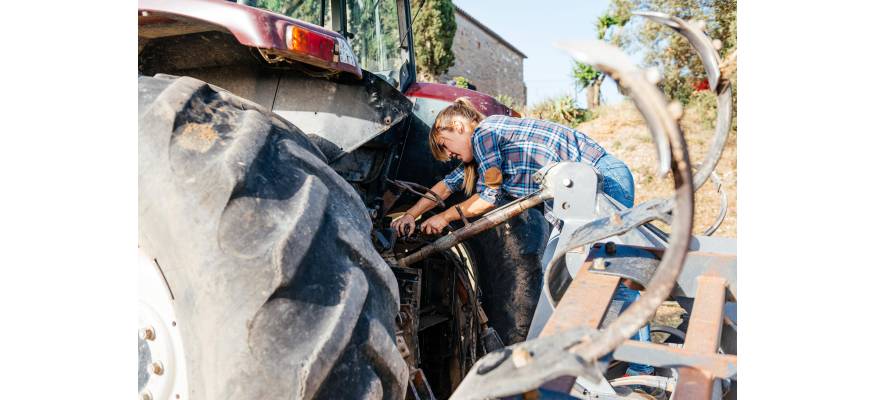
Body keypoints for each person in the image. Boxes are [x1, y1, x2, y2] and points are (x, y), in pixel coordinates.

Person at [390, 97, 653, 377]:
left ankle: (641, 368)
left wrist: (444, 217)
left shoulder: (485, 132)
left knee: (610, 273)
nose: (448, 154)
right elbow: (446, 186)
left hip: (601, 179)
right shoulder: (484, 153)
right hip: (577, 195)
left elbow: (489, 197)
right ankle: (577, 360)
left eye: (445, 144)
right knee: (556, 274)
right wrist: (411, 215)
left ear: (458, 125)